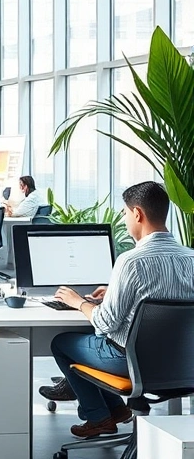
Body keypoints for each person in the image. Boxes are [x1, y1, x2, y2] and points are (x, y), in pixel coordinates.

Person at [41, 181, 194, 438]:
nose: (124, 220)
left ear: (137, 213)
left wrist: (78, 301)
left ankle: (98, 417)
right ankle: (115, 410)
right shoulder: (191, 258)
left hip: (132, 364)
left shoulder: (130, 261)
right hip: (183, 364)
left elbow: (106, 323)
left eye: (124, 213)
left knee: (61, 343)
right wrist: (114, 290)